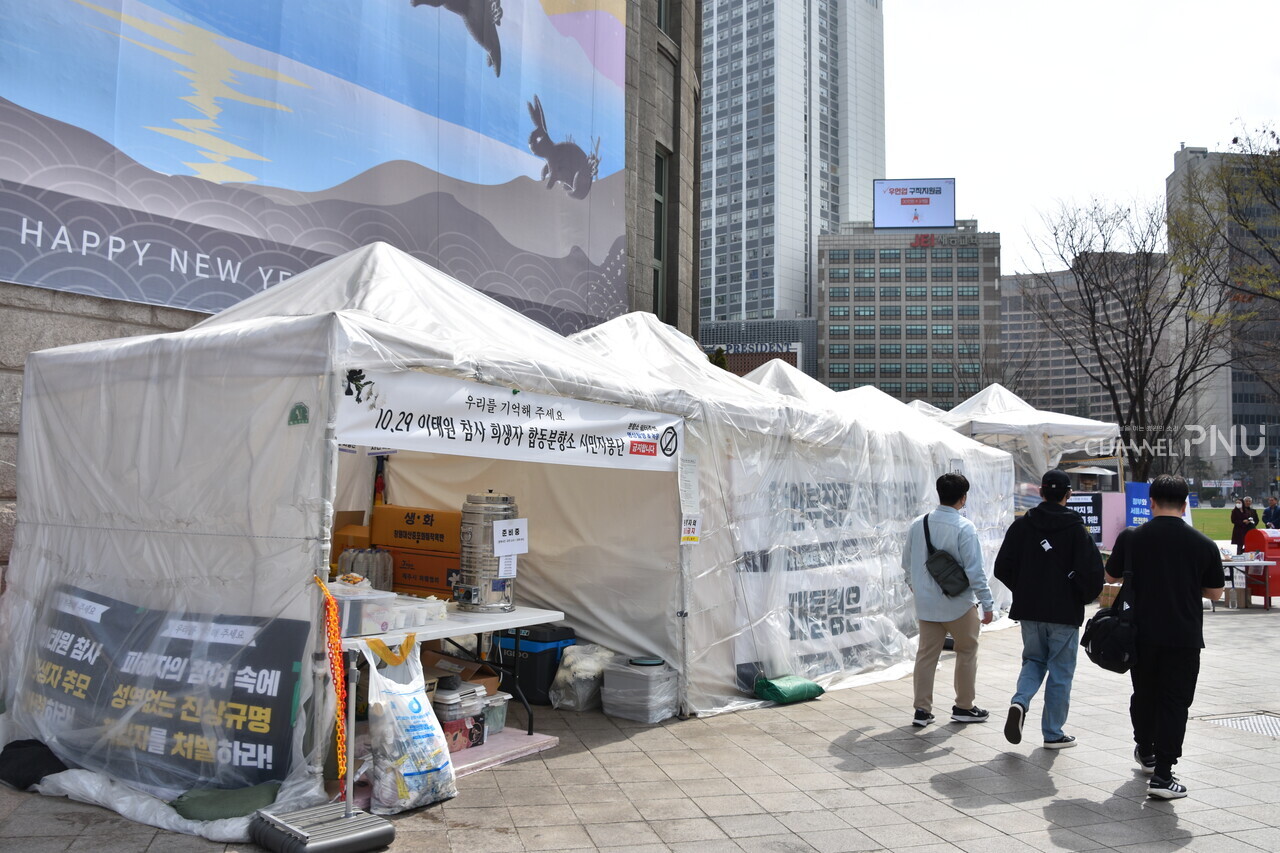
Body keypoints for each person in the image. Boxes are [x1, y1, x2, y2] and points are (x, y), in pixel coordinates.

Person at [1106, 474, 1224, 799]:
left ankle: (1146, 750)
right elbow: (1215, 592)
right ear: (1185, 505)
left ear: (1152, 502)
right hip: (1183, 635)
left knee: (1143, 693)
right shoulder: (1203, 544)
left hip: (1139, 633)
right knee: (1174, 702)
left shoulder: (1131, 537)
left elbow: (1111, 575)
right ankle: (1163, 775)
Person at [995, 470, 1105, 750]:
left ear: (1041, 493)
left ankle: (1020, 701)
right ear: (1068, 495)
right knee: (1060, 671)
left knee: (1033, 660)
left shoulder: (1022, 526)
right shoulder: (1077, 530)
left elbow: (1002, 567)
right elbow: (1094, 574)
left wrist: (1023, 588)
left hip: (1029, 608)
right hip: (1064, 612)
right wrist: (1083, 597)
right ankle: (1053, 732)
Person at [902, 472, 996, 727]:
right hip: (959, 604)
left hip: (926, 606)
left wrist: (916, 587)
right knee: (966, 651)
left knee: (926, 656)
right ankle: (964, 707)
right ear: (963, 498)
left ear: (939, 493)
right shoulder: (965, 528)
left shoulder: (918, 524)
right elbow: (975, 571)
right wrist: (987, 605)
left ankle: (922, 711)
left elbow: (906, 564)